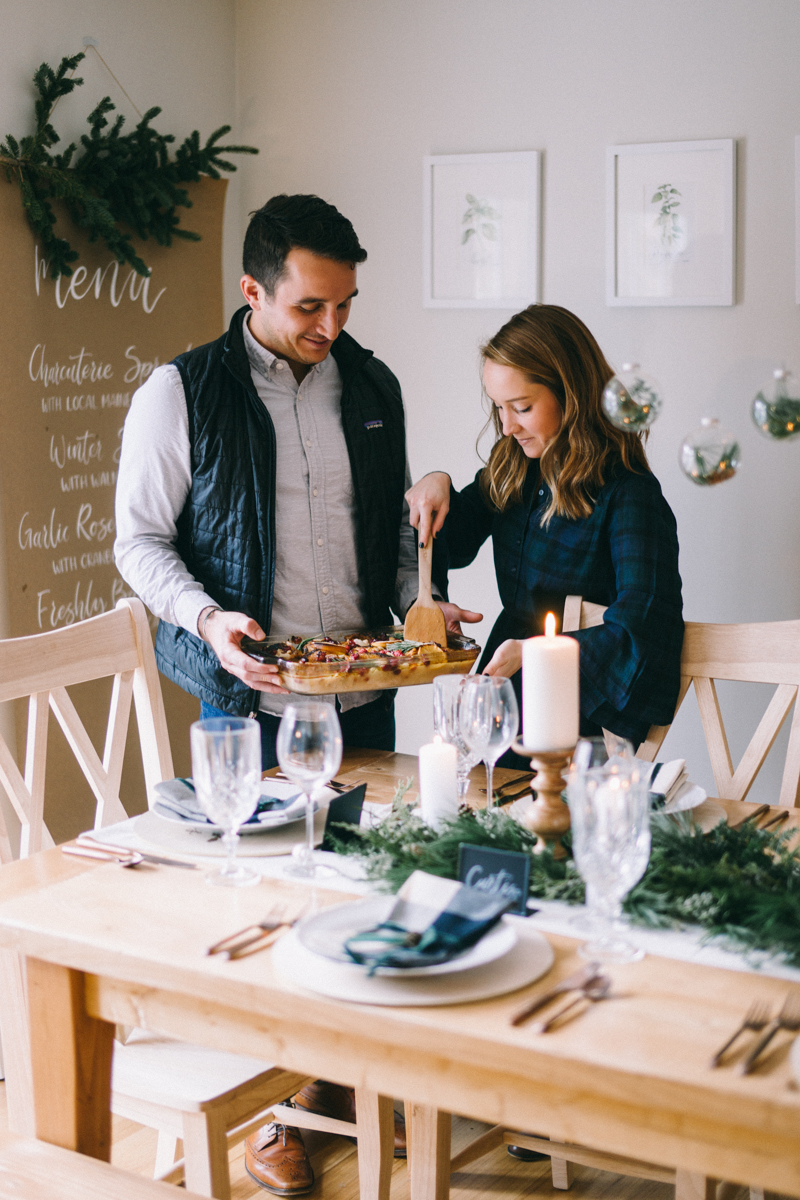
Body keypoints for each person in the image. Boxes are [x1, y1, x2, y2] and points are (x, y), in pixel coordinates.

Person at [115, 194, 475, 1193]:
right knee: (264, 900)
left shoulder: (371, 384)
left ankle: (332, 1093)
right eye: (311, 308)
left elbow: (397, 537)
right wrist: (204, 619)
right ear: (251, 291)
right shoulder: (179, 391)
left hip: (360, 688)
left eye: (346, 305)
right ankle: (272, 1108)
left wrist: (421, 606)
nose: (332, 328)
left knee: (365, 887)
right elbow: (137, 541)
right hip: (243, 691)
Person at [405, 304, 683, 763]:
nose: (508, 426)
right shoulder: (513, 467)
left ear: (571, 394)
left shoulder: (630, 495)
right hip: (504, 703)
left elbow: (643, 633)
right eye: (499, 408)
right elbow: (449, 544)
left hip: (580, 724)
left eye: (523, 407)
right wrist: (437, 484)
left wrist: (537, 656)